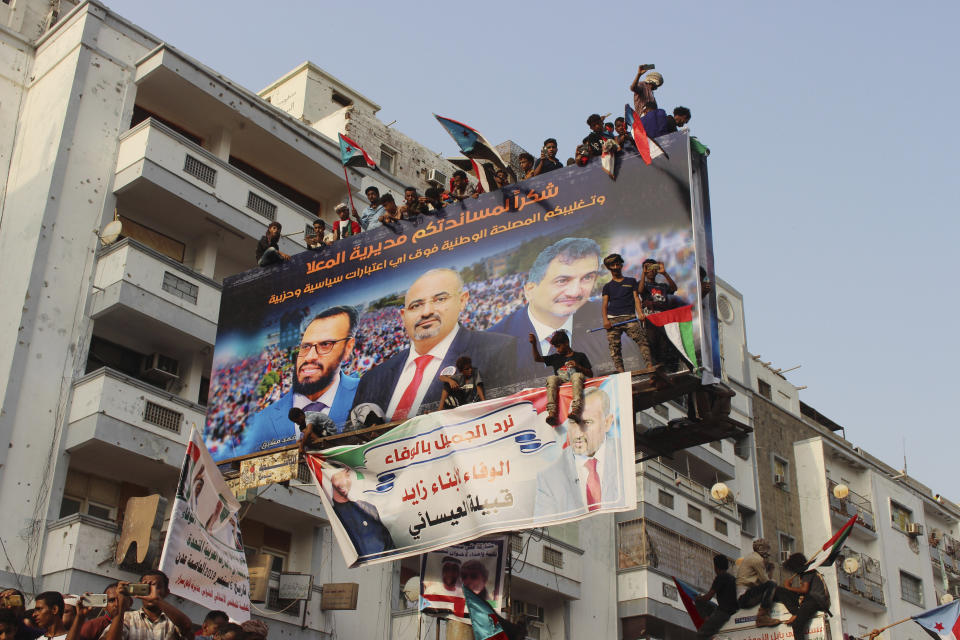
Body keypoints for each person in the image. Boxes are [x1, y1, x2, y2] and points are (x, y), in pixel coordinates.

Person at [352, 269, 516, 421]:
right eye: (416, 306)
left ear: (462, 300)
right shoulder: (371, 380)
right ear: (403, 316)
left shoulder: (501, 350)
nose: (426, 312)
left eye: (439, 299)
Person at [490, 238, 634, 380]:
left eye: (587, 277)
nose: (576, 292)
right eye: (562, 281)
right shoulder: (493, 343)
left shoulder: (612, 318)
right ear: (530, 290)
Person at [233, 306, 361, 458]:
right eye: (305, 346)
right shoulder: (260, 422)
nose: (309, 357)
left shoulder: (369, 392)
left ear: (348, 348)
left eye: (325, 344)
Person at [533, 387, 621, 520]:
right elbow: (544, 530)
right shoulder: (549, 478)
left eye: (587, 422)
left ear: (607, 423)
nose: (578, 433)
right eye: (573, 422)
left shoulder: (624, 456)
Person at [601, 254, 653, 372]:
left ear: (621, 265)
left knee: (642, 340)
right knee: (614, 348)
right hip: (613, 319)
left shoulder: (631, 281)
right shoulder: (607, 286)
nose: (615, 267)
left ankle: (650, 368)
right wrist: (605, 320)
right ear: (609, 268)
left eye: (617, 264)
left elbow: (636, 298)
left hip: (629, 317)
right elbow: (604, 304)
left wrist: (640, 313)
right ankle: (621, 373)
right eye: (612, 265)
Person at [328, 467, 395, 558]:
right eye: (338, 477)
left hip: (376, 563)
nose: (344, 481)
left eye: (347, 475)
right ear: (331, 479)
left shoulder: (368, 509)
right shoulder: (331, 512)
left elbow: (388, 543)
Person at [530, 330, 593, 425]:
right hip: (561, 381)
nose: (557, 350)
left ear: (566, 343)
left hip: (575, 380)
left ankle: (576, 410)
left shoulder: (580, 356)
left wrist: (578, 366)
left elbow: (590, 374)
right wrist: (534, 344)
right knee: (552, 378)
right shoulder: (555, 357)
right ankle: (552, 413)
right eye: (555, 347)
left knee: (576, 375)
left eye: (559, 346)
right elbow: (537, 359)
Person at [105, 573, 192, 640]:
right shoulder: (127, 618)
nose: (150, 591)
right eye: (146, 587)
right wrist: (121, 606)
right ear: (139, 588)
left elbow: (187, 626)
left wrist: (157, 600)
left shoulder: (173, 620)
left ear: (166, 592)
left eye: (156, 587)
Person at [776, 553, 830, 639]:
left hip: (815, 600)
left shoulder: (808, 571)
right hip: (811, 599)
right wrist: (788, 589)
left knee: (797, 625)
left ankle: (795, 613)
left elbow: (804, 590)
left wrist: (788, 587)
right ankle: (795, 612)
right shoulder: (807, 571)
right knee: (780, 591)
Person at [736, 538, 779, 627]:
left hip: (748, 593)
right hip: (744, 597)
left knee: (772, 586)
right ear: (760, 548)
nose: (768, 551)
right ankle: (762, 617)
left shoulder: (753, 557)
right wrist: (770, 571)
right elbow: (766, 581)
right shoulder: (757, 560)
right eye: (767, 548)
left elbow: (763, 583)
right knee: (772, 584)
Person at [696, 555, 738, 639]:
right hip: (733, 613)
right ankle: (710, 622)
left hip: (723, 613)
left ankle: (709, 621)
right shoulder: (733, 579)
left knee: (701, 634)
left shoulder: (720, 577)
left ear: (716, 566)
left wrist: (698, 598)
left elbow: (708, 597)